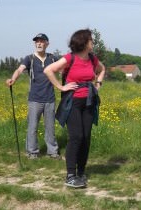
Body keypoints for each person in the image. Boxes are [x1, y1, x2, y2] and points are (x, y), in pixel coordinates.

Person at [44, 29, 105, 188]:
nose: (93, 42)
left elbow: (102, 69)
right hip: (73, 103)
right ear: (83, 42)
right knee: (76, 136)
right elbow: (48, 70)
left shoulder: (92, 59)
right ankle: (70, 175)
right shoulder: (69, 58)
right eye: (91, 40)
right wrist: (61, 87)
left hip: (89, 102)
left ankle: (81, 173)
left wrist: (98, 84)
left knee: (86, 137)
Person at [5, 33, 60, 160]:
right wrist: (13, 79)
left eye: (41, 41)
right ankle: (32, 152)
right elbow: (19, 70)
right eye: (37, 42)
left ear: (47, 43)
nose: (39, 43)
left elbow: (64, 69)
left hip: (50, 98)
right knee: (32, 127)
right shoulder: (29, 58)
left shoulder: (52, 58)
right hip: (35, 99)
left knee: (50, 127)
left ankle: (53, 152)